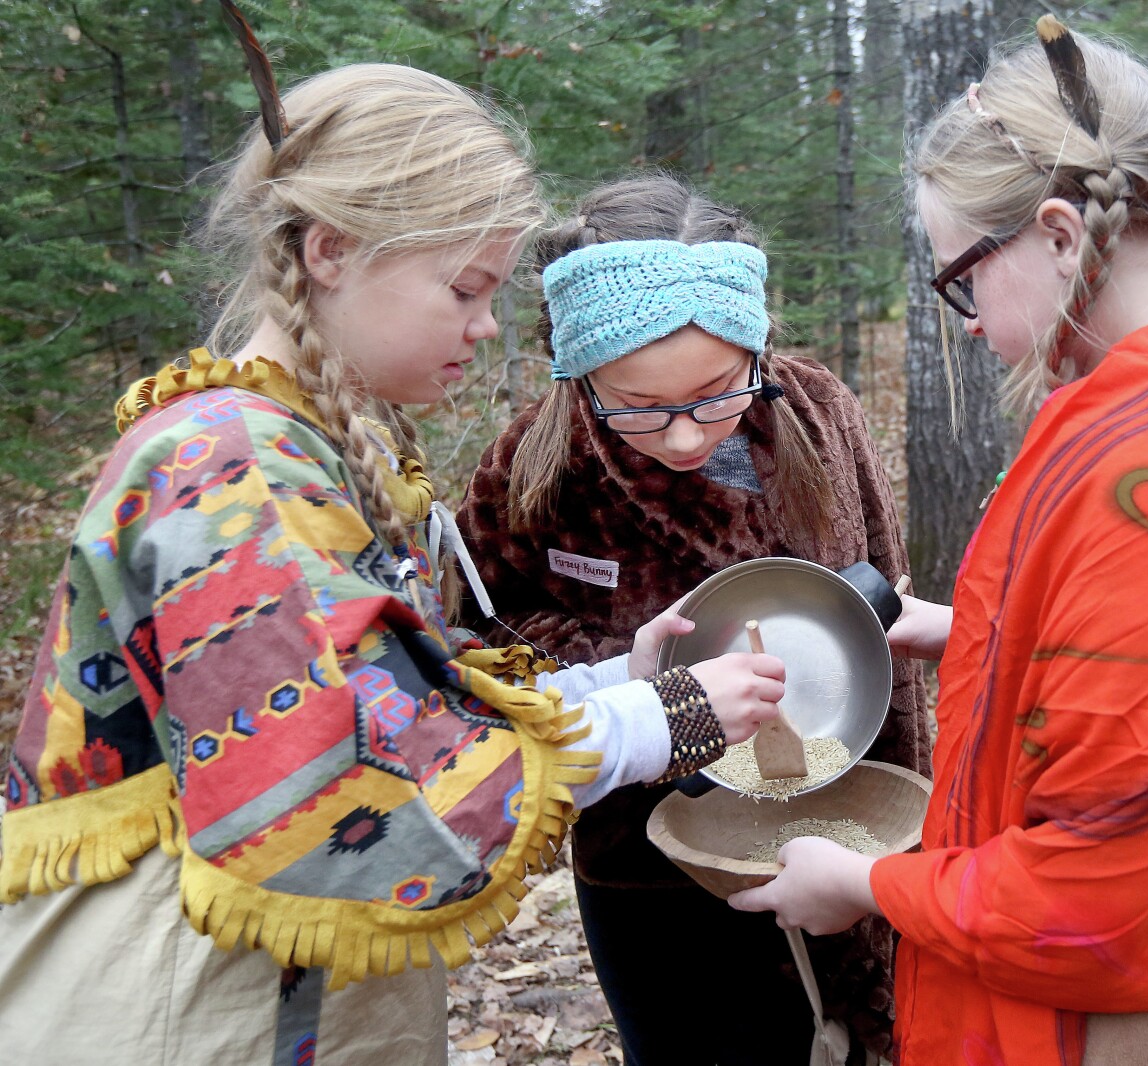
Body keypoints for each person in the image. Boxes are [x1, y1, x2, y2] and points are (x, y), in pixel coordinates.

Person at [0, 64, 790, 1065]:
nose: (487, 325)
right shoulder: (238, 469)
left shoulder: (314, 446)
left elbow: (392, 697)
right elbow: (343, 789)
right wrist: (658, 720)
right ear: (330, 250)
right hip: (195, 1008)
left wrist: (605, 688)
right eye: (464, 289)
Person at [729, 15, 1148, 1066]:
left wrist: (860, 884)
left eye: (960, 277)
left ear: (1056, 234)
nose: (963, 318)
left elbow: (1097, 886)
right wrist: (968, 633)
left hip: (1118, 1021)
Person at [456, 173, 932, 1064]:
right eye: (638, 406)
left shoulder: (818, 415)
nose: (683, 436)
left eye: (717, 391)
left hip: (834, 822)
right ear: (578, 374)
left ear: (756, 349)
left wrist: (898, 797)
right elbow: (484, 635)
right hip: (651, 859)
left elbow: (880, 593)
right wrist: (622, 670)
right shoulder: (535, 463)